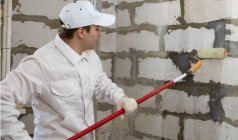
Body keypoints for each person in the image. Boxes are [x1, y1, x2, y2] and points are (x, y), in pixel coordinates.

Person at [0, 1, 137, 139]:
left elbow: (101, 83)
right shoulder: (41, 63)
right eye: (97, 29)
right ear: (82, 32)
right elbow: (2, 98)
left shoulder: (91, 58)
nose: (100, 34)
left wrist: (120, 98)